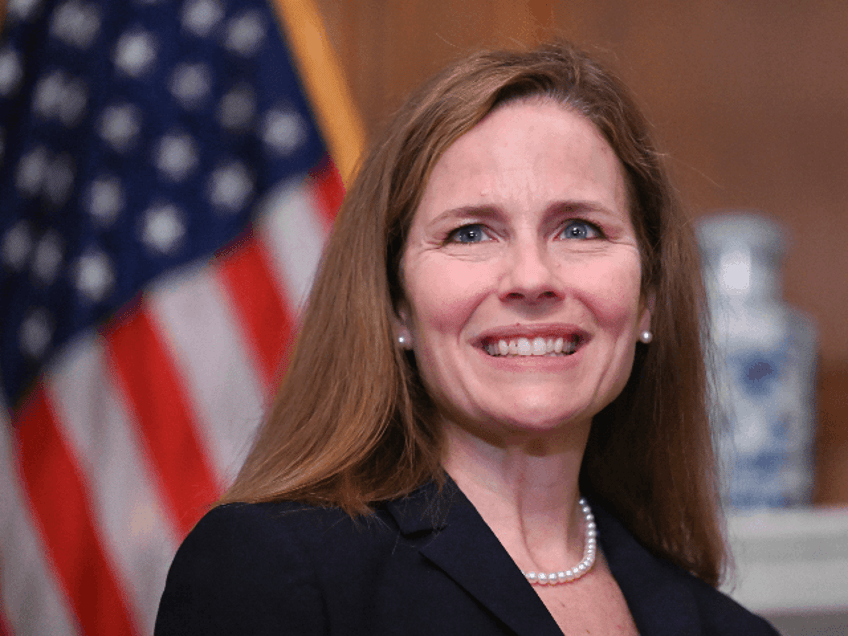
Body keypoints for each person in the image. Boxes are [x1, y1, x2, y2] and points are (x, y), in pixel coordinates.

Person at [155, 41, 779, 635]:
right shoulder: (271, 571)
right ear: (396, 305)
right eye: (471, 234)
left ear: (646, 299)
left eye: (580, 229)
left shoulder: (725, 630)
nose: (532, 278)